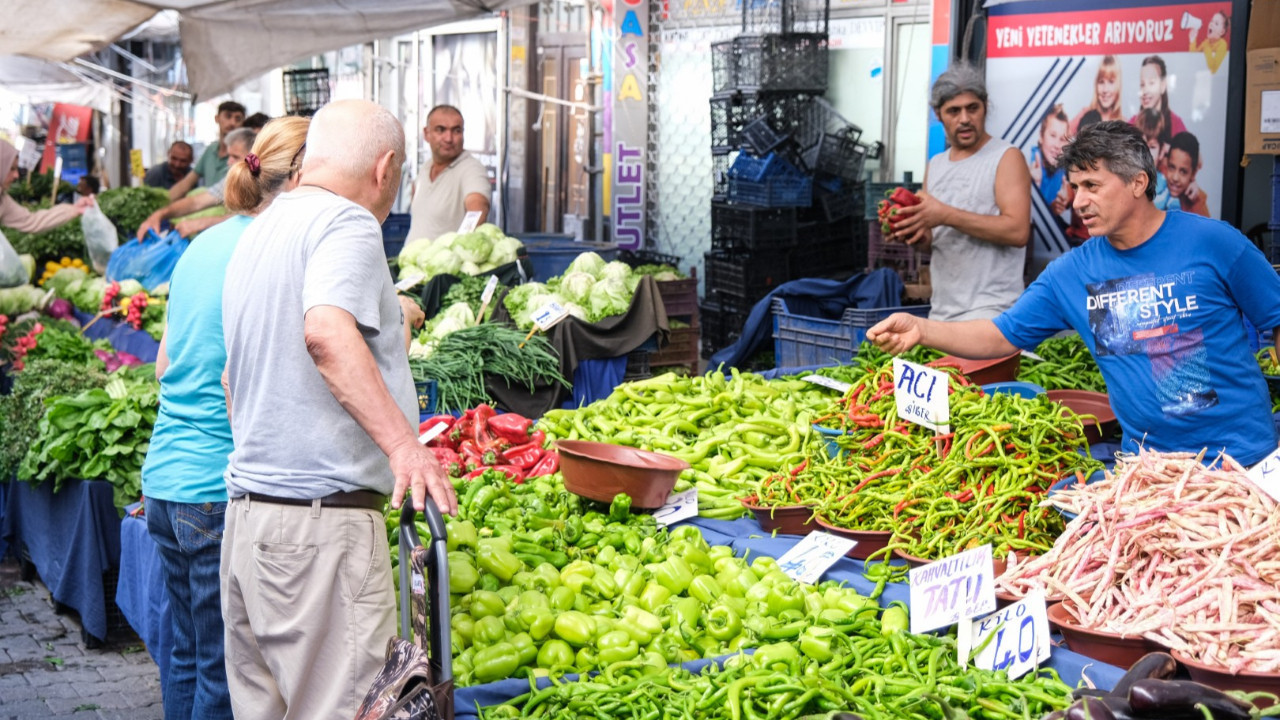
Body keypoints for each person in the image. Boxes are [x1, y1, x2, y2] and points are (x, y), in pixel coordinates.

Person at [219, 99, 454, 720]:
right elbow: (325, 332)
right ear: (385, 167)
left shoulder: (261, 228)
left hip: (250, 524)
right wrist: (405, 447)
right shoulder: (347, 222)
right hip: (318, 533)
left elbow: (230, 379)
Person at [867, 121, 1280, 467]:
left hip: (1243, 460)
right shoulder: (1070, 273)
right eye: (1075, 186)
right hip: (1149, 470)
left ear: (1138, 183)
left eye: (1092, 186)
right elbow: (999, 335)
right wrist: (922, 329)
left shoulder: (1213, 242)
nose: (1079, 201)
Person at [140, 116, 310, 720]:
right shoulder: (270, 250)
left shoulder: (204, 244)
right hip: (215, 488)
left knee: (187, 653)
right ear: (302, 177)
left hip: (165, 479)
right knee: (222, 668)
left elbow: (163, 365)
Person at [887, 63, 1031, 322]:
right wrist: (911, 232)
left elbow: (1018, 232)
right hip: (942, 311)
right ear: (938, 114)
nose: (964, 119)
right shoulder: (936, 165)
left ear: (985, 106)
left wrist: (945, 214)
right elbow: (935, 241)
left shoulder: (1006, 157)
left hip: (993, 312)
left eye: (972, 108)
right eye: (954, 111)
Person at [136, 128, 256, 240]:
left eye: (235, 157)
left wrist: (200, 223)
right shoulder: (232, 181)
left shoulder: (262, 183)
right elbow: (196, 202)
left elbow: (250, 218)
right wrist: (160, 214)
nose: (229, 162)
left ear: (252, 158)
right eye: (229, 156)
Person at [0, 139, 92, 272]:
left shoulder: (3, 200)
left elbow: (32, 221)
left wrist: (75, 209)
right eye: (11, 169)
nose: (16, 175)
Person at [405, 104, 491, 243]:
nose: (449, 138)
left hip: (447, 257)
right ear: (426, 134)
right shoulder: (425, 168)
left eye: (456, 131)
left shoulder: (471, 169)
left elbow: (477, 211)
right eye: (441, 130)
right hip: (411, 256)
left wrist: (460, 248)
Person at [167, 101, 246, 201]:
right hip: (206, 205)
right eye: (228, 116)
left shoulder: (245, 155)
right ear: (217, 118)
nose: (232, 123)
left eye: (238, 119)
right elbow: (187, 183)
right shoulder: (210, 150)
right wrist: (162, 201)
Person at [1129, 56, 1186, 139]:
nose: (1145, 91)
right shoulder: (1132, 124)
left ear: (1163, 85)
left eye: (1151, 83)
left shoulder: (1176, 124)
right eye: (1142, 84)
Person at [1029, 104, 1070, 214]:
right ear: (1041, 136)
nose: (1057, 145)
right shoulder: (1029, 161)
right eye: (1052, 135)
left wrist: (1058, 204)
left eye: (1062, 139)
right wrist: (1031, 187)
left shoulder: (1063, 168)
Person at [1070, 56, 1123, 136]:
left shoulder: (1124, 123)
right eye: (1101, 82)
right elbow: (1063, 137)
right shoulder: (1084, 114)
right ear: (1096, 85)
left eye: (1111, 82)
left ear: (1118, 85)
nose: (1105, 90)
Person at [1164, 131, 1210, 217]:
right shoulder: (1158, 175)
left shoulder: (1198, 205)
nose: (1175, 178)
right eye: (1172, 167)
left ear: (1193, 173)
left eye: (1183, 172)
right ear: (1166, 163)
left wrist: (1196, 201)